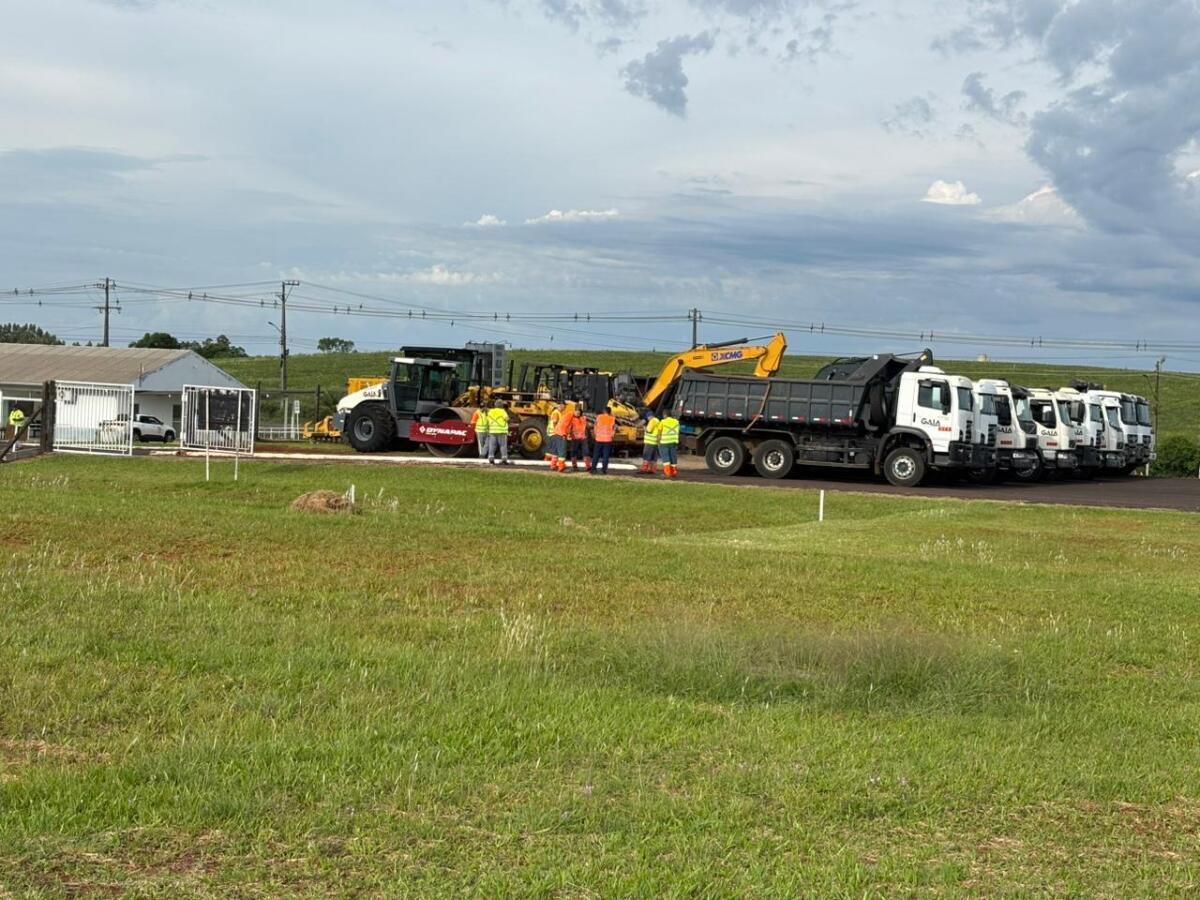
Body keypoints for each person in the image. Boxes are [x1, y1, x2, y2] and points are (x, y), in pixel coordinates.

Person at [592, 407, 616, 475]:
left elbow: (595, 426)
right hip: (608, 440)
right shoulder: (612, 418)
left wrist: (596, 434)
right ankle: (604, 470)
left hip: (599, 439)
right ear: (609, 412)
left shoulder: (599, 417)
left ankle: (593, 469)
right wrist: (612, 436)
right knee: (606, 455)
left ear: (603, 411)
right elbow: (614, 429)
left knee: (596, 455)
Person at [486, 401, 511, 465]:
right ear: (501, 406)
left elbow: (487, 419)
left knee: (492, 445)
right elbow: (507, 419)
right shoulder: (502, 411)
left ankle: (491, 459)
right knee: (503, 445)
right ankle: (504, 459)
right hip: (501, 431)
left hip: (492, 431)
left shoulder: (490, 411)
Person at [552, 402, 574, 472]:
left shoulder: (563, 414)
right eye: (564, 406)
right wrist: (567, 434)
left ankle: (553, 465)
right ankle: (561, 467)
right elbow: (555, 422)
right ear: (561, 405)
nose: (565, 408)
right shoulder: (557, 413)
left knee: (556, 451)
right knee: (562, 451)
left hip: (556, 433)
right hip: (560, 433)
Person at [658, 411, 680, 479]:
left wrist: (658, 441)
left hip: (664, 442)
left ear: (665, 415)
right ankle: (674, 472)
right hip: (673, 442)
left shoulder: (663, 421)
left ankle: (667, 473)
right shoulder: (676, 422)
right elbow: (678, 431)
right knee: (673, 457)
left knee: (666, 458)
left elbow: (659, 432)